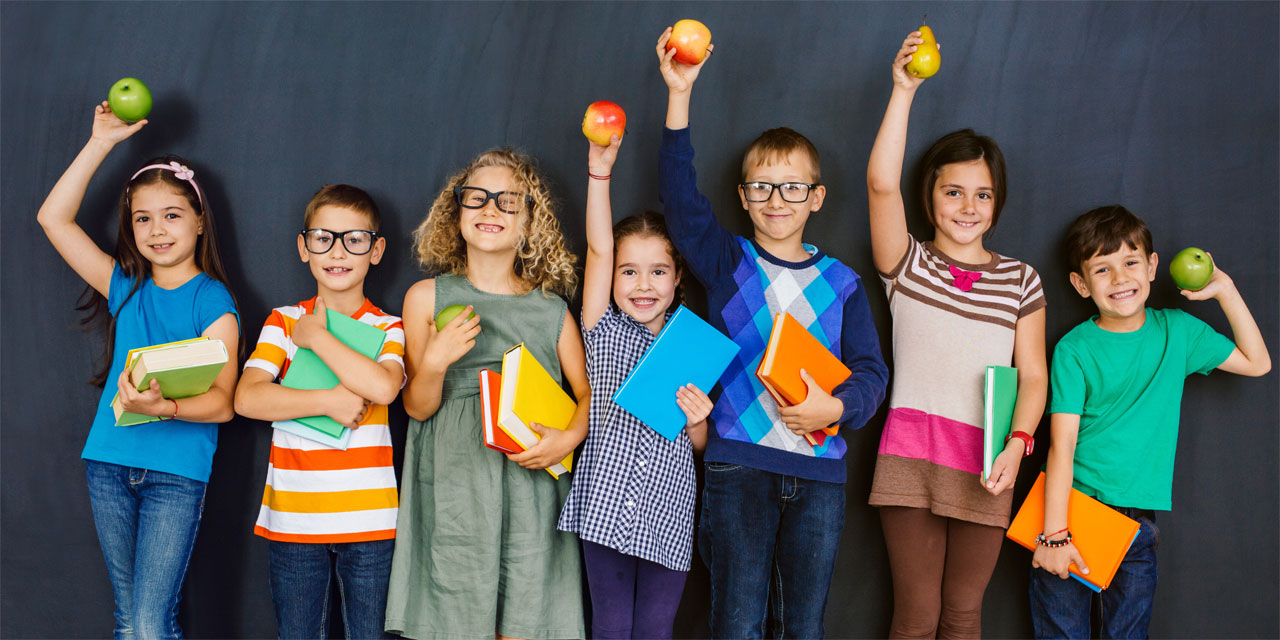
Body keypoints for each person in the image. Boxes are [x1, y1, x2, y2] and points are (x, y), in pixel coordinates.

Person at [656, 26, 889, 638]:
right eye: (761, 187)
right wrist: (679, 95)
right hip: (737, 469)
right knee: (737, 623)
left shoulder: (842, 282)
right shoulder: (728, 262)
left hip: (819, 477)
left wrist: (835, 407)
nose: (776, 200)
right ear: (743, 195)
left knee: (804, 627)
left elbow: (871, 371)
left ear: (816, 197)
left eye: (792, 187)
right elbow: (680, 204)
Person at [864, 31, 1051, 638]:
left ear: (997, 203)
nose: (968, 207)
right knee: (916, 616)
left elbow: (1034, 377)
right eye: (953, 192)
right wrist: (903, 90)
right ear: (932, 196)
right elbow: (880, 186)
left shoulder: (1021, 279)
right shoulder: (907, 264)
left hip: (988, 461)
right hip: (910, 456)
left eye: (982, 194)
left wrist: (1017, 445)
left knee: (964, 614)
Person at [37, 102, 240, 638]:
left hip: (176, 475)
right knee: (130, 620)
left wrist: (166, 407)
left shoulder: (213, 302)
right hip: (107, 464)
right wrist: (101, 142)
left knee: (151, 623)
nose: (156, 230)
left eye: (172, 215)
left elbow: (224, 402)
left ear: (199, 221)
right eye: (142, 218)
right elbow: (52, 219)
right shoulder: (124, 288)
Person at [1030, 205, 1270, 638]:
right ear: (1080, 285)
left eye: (1130, 262)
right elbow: (1060, 445)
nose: (1120, 279)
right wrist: (1054, 535)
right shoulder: (1074, 348)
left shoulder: (1178, 331)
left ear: (1153, 266)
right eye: (1102, 270)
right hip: (1071, 514)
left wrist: (1225, 290)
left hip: (1137, 524)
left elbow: (1258, 363)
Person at [385, 148, 588, 640]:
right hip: (454, 481)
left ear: (528, 224)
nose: (490, 209)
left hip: (531, 482)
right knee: (456, 615)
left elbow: (585, 397)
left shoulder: (552, 311)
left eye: (507, 201)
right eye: (476, 199)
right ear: (456, 217)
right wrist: (434, 361)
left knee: (522, 616)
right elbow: (416, 407)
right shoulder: (427, 298)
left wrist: (566, 440)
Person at [555, 134, 713, 639]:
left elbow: (700, 447)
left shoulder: (692, 346)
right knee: (612, 625)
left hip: (670, 504)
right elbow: (599, 247)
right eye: (629, 271)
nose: (643, 285)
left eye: (658, 272)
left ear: (677, 276)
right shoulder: (601, 327)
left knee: (654, 629)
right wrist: (599, 172)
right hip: (607, 500)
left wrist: (699, 420)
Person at [234, 184, 405, 639]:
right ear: (303, 247)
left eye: (354, 239)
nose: (338, 251)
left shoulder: (389, 327)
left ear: (376, 249)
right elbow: (247, 398)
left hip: (370, 521)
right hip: (293, 517)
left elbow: (384, 387)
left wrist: (318, 338)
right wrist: (328, 401)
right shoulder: (283, 320)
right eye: (323, 238)